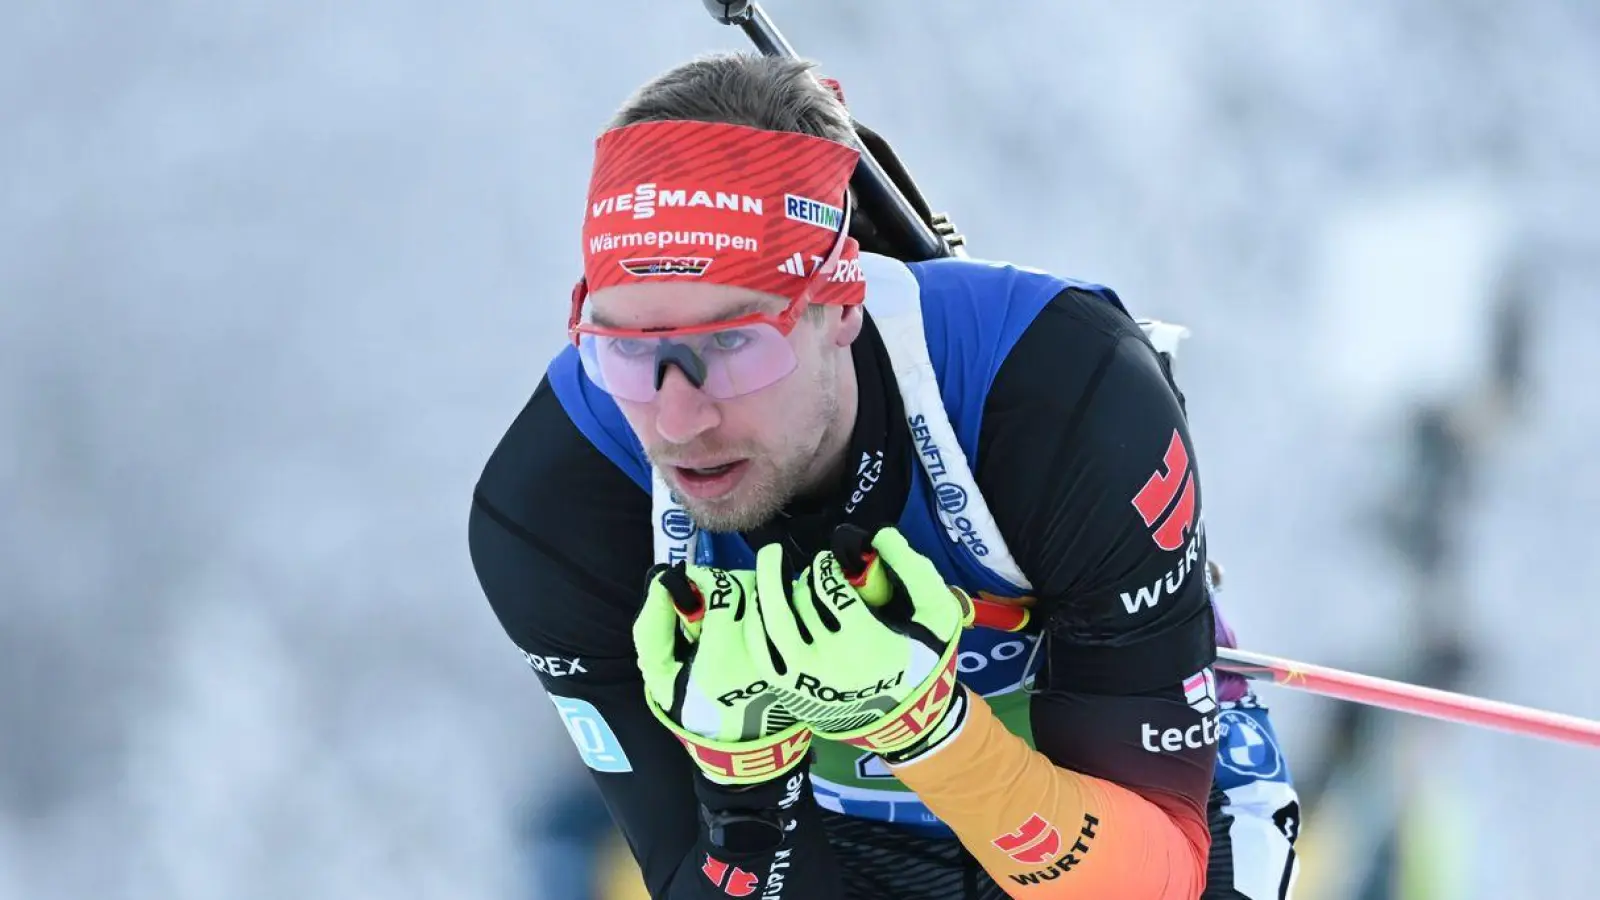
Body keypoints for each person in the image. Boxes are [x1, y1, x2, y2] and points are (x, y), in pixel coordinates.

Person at [469, 52, 1301, 900]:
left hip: (1106, 812)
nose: (677, 420)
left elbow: (1154, 880)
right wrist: (742, 787)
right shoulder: (555, 505)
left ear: (843, 300)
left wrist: (929, 728)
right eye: (626, 351)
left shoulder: (1060, 393)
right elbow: (705, 876)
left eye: (732, 344)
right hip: (838, 832)